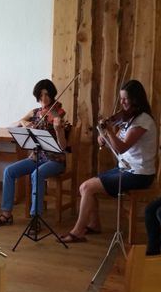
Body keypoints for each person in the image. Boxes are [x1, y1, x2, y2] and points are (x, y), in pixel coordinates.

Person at [61, 79, 156, 243]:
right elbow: (115, 141)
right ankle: (94, 224)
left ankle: (78, 232)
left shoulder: (143, 121)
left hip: (139, 174)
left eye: (125, 99)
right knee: (87, 187)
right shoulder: (130, 120)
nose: (122, 103)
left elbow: (121, 147)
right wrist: (103, 136)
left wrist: (109, 131)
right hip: (126, 169)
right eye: (121, 99)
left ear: (136, 99)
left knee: (87, 187)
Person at [0, 79, 67, 228]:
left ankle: (35, 217)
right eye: (41, 95)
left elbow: (63, 146)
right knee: (9, 171)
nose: (44, 99)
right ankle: (6, 214)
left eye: (47, 95)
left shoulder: (58, 115)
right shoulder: (35, 113)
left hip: (55, 160)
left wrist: (58, 130)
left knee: (37, 174)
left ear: (52, 95)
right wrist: (24, 122)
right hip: (36, 157)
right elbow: (12, 126)